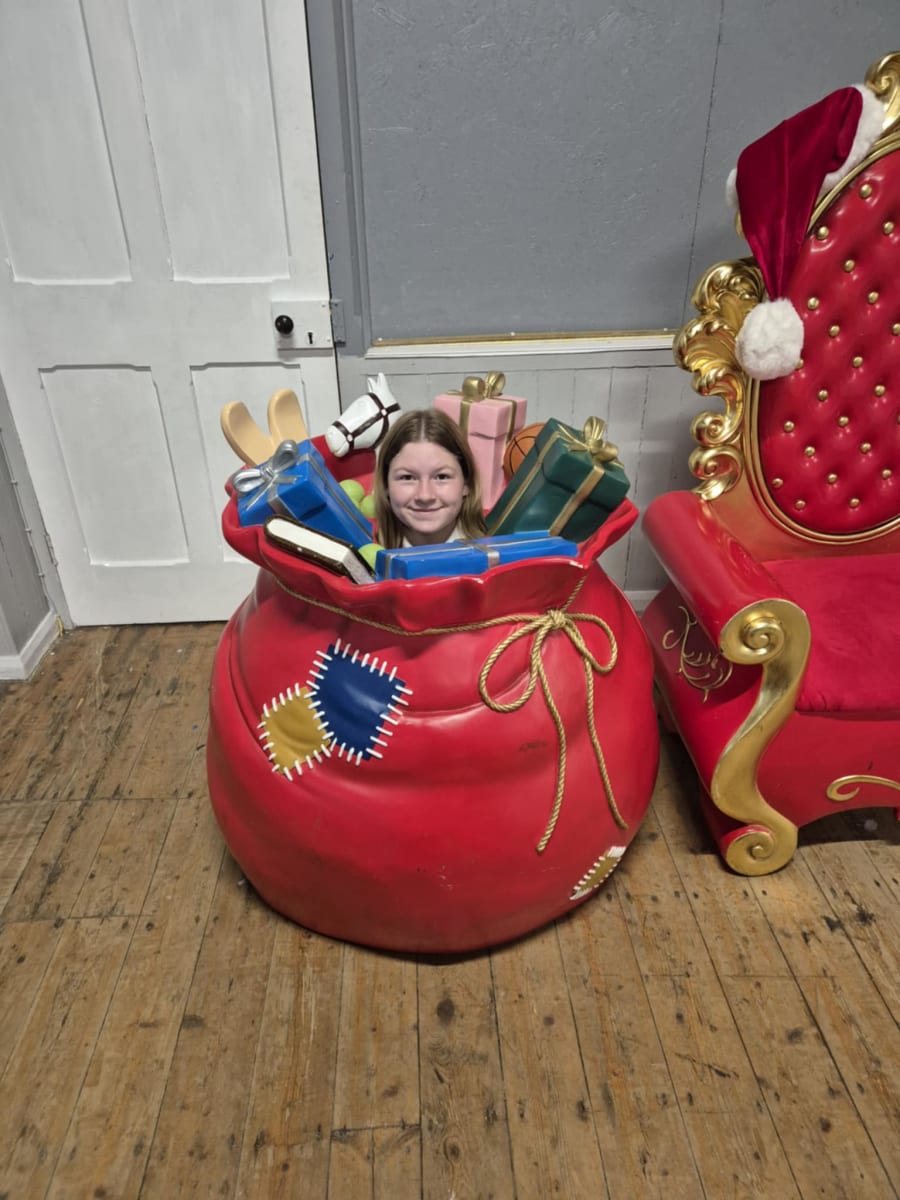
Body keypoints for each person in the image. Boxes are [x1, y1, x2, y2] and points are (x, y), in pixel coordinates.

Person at [373, 408, 487, 549]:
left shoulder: (497, 552)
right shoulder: (365, 551)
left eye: (441, 477)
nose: (425, 496)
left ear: (466, 483)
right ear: (386, 485)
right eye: (407, 477)